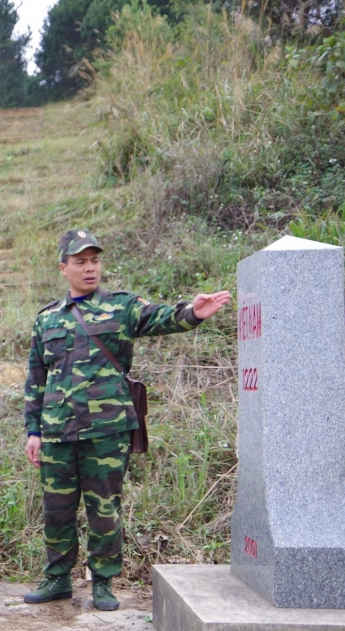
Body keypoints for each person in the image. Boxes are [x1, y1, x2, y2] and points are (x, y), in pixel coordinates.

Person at [23, 230, 231, 611]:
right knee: (56, 510)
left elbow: (159, 317)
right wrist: (33, 431)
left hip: (106, 431)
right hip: (57, 433)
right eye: (81, 262)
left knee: (105, 510)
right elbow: (36, 379)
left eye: (95, 260)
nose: (90, 268)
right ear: (63, 268)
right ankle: (57, 578)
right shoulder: (47, 319)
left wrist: (192, 313)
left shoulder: (121, 308)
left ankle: (103, 581)